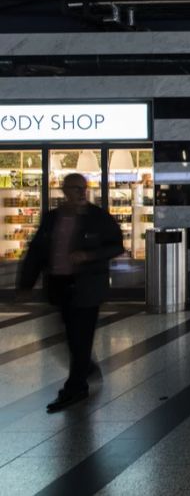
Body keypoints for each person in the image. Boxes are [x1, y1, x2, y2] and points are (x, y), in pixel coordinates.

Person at [17, 173, 124, 412]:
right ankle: (84, 367)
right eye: (75, 188)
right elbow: (36, 252)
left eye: (83, 188)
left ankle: (75, 386)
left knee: (80, 336)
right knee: (68, 335)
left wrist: (88, 256)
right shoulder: (52, 218)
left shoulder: (98, 218)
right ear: (64, 190)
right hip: (59, 285)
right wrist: (25, 284)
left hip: (87, 286)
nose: (80, 192)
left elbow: (117, 245)